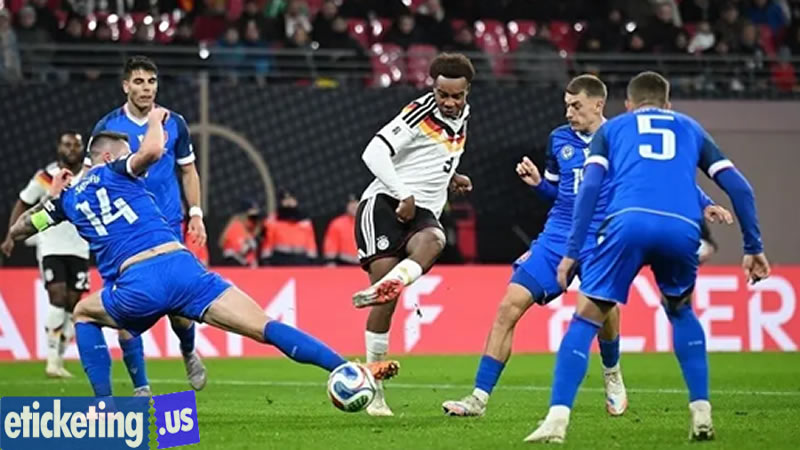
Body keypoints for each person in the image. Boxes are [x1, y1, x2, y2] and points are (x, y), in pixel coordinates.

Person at [6, 110, 400, 399]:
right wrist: (156, 119)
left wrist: (48, 202)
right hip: (183, 269)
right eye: (127, 151)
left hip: (137, 283)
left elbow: (23, 227)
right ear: (109, 157)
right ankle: (346, 367)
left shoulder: (67, 200)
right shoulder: (118, 170)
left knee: (84, 312)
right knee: (265, 326)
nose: (134, 158)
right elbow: (153, 149)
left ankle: (106, 405)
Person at [441, 75, 732, 418]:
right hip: (558, 235)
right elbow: (560, 193)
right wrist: (538, 185)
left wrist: (705, 204)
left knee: (604, 311)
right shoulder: (558, 139)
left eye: (576, 105)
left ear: (598, 104)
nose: (569, 113)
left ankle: (612, 373)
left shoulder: (622, 136)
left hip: (603, 237)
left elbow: (663, 177)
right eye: (566, 106)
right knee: (508, 306)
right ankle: (478, 398)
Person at [524, 71, 770, 443]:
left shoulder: (614, 129)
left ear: (628, 105)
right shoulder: (689, 127)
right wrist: (753, 246)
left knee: (587, 317)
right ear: (667, 104)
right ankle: (701, 411)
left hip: (627, 224)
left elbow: (590, 188)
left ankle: (557, 419)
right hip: (681, 227)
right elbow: (740, 187)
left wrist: (572, 251)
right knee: (681, 311)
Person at [353, 53, 474, 416]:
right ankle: (375, 394)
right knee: (386, 305)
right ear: (432, 88)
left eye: (456, 96)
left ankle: (394, 281)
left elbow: (430, 156)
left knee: (435, 240)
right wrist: (403, 192)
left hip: (420, 211)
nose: (449, 102)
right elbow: (373, 153)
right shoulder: (418, 113)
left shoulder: (463, 117)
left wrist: (450, 176)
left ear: (467, 92)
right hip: (383, 206)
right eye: (442, 94)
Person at [88, 55, 206, 397]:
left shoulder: (174, 123)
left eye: (151, 81)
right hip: (124, 233)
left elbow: (188, 170)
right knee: (126, 309)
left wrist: (196, 213)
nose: (146, 88)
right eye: (139, 82)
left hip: (166, 225)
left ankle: (188, 351)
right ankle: (141, 387)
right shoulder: (108, 128)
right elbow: (93, 178)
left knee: (179, 308)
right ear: (125, 86)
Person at [2, 132, 90, 378]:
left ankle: (59, 359)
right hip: (51, 247)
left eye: (76, 145)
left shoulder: (90, 175)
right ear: (58, 148)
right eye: (67, 145)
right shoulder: (46, 176)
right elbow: (23, 201)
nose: (72, 149)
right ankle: (51, 361)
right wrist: (11, 235)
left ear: (82, 148)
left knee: (73, 304)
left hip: (80, 248)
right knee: (57, 296)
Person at [260, 189, 318, 265]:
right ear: (281, 202)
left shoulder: (304, 220)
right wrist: (266, 258)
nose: (289, 203)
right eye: (286, 200)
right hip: (280, 257)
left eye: (291, 200)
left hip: (300, 257)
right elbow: (268, 240)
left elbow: (310, 239)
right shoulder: (272, 219)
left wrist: (312, 257)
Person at [220, 200, 262, 267]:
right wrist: (250, 246)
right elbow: (240, 251)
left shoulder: (249, 232)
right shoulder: (236, 227)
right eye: (251, 217)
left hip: (246, 267)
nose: (254, 221)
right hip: (233, 265)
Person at [323, 195, 359, 266]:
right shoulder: (337, 223)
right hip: (345, 264)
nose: (354, 206)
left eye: (356, 203)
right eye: (351, 203)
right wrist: (330, 262)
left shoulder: (369, 222)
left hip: (366, 264)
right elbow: (331, 245)